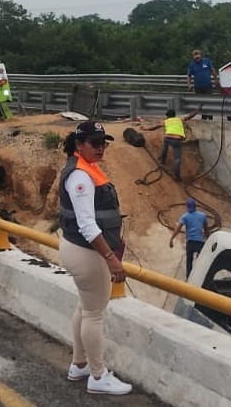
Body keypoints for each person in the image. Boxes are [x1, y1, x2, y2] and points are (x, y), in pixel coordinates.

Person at [58, 121, 133, 395]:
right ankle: (99, 376)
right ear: (80, 145)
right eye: (94, 143)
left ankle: (80, 365)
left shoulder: (84, 168)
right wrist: (111, 258)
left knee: (84, 307)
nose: (101, 148)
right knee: (93, 313)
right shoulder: (80, 177)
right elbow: (87, 225)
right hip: (87, 253)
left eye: (104, 143)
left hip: (77, 249)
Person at [141, 106, 201, 180]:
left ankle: (162, 160)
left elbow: (155, 127)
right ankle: (176, 175)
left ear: (168, 116)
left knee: (165, 147)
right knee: (177, 159)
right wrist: (198, 110)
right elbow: (190, 116)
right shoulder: (179, 119)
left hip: (168, 138)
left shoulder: (166, 121)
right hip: (177, 140)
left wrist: (146, 129)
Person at [169, 198, 211, 278]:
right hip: (200, 243)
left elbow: (178, 228)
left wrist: (171, 238)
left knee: (189, 262)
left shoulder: (185, 216)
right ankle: (201, 277)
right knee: (202, 261)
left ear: (187, 207)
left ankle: (189, 280)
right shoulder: (202, 215)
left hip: (190, 243)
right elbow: (206, 230)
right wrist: (208, 240)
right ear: (195, 206)